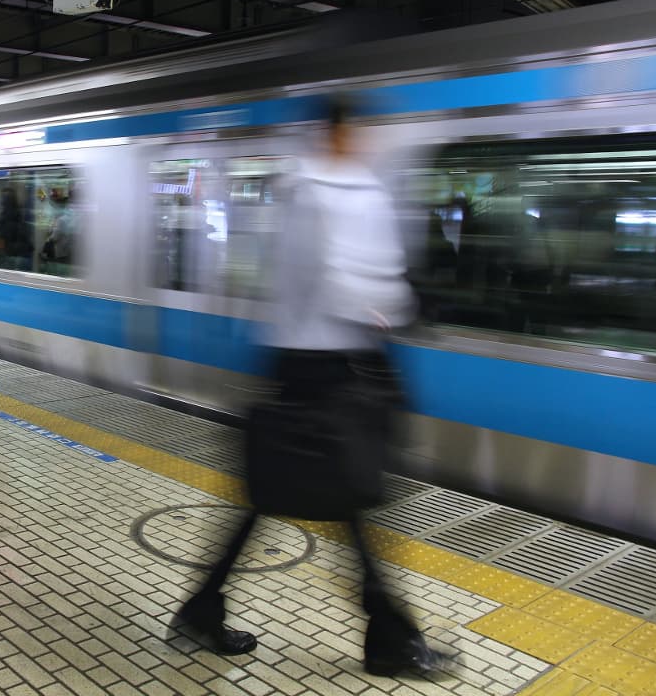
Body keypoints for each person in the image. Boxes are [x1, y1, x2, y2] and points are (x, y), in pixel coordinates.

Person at [171, 98, 451, 675]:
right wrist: (401, 307)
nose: (368, 143)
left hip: (313, 362)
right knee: (342, 493)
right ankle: (389, 638)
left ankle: (204, 608)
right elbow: (339, 281)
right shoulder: (324, 193)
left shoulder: (324, 189)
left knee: (298, 493)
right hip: (323, 365)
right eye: (362, 132)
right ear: (340, 134)